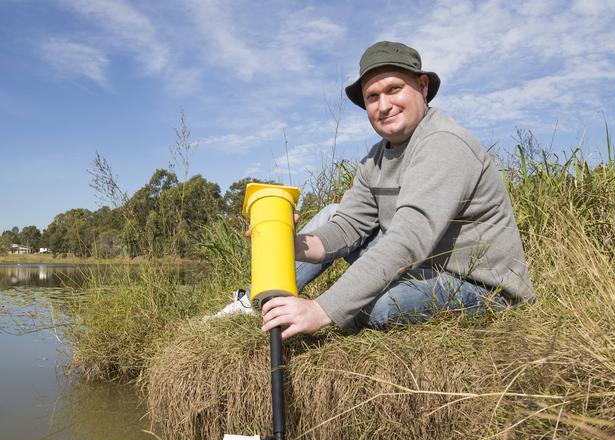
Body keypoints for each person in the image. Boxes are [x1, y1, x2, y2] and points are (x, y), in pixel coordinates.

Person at [210, 40, 534, 339]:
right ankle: (254, 301)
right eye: (372, 97)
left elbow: (408, 242)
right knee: (332, 213)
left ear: (422, 88)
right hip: (423, 265)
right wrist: (286, 244)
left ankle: (307, 309)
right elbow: (348, 227)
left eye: (394, 89)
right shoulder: (376, 158)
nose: (384, 105)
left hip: (476, 283)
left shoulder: (443, 144)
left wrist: (321, 309)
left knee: (382, 307)